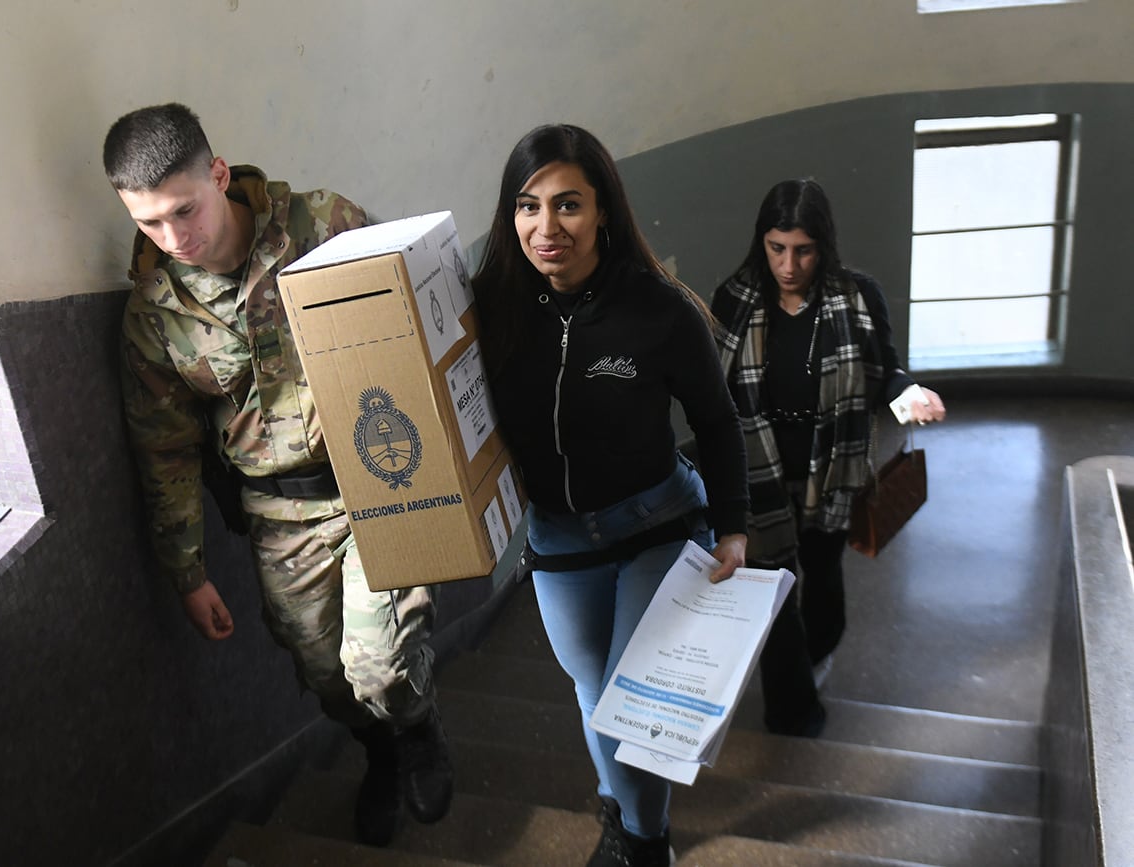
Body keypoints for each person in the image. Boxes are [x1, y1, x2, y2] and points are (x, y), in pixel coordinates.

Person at [102, 103, 452, 847]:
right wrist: (187, 570)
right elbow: (163, 448)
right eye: (150, 224)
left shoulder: (324, 225)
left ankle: (417, 728)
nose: (173, 238)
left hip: (376, 480)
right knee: (327, 675)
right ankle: (381, 753)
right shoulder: (155, 311)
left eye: (183, 211)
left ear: (219, 174)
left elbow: (416, 317)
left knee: (382, 663)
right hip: (279, 511)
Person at [472, 123, 750, 867]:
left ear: (602, 212)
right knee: (595, 692)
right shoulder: (493, 306)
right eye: (527, 207)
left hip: (654, 524)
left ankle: (645, 842)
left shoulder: (658, 310)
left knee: (637, 706)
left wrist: (733, 528)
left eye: (567, 205)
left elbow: (718, 423)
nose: (545, 227)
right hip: (558, 538)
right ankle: (619, 803)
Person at [710, 178, 947, 737]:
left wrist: (912, 398)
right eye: (777, 248)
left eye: (803, 250)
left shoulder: (857, 296)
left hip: (832, 475)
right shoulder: (734, 298)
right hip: (760, 477)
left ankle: (816, 653)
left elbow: (885, 368)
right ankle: (793, 710)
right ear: (761, 243)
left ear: (824, 246)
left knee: (822, 581)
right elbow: (713, 394)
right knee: (771, 591)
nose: (788, 265)